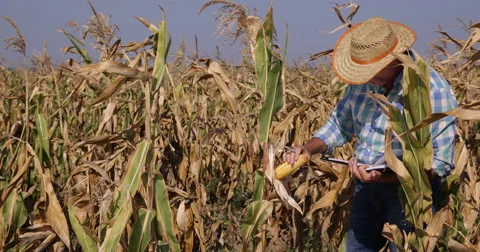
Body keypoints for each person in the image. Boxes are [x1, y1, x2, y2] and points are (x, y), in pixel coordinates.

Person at [283, 17, 457, 251]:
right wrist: (309, 148)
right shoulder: (364, 83)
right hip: (365, 188)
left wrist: (388, 176)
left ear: (396, 58)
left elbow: (441, 163)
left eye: (373, 69)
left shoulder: (433, 91)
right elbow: (339, 124)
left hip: (411, 196)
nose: (365, 77)